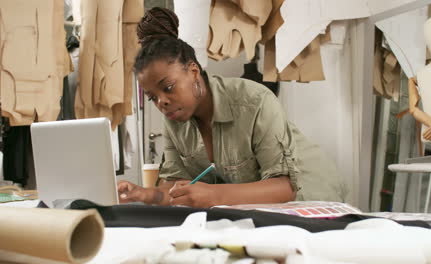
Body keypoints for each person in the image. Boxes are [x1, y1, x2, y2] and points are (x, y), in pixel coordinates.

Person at [118, 7, 343, 208]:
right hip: (261, 210)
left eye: (167, 87)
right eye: (152, 98)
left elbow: (286, 187)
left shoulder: (254, 100)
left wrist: (215, 195)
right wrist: (146, 195)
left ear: (194, 72)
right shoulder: (175, 119)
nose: (161, 102)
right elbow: (176, 189)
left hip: (313, 197)